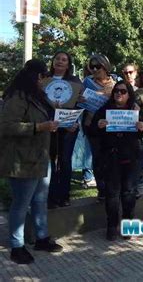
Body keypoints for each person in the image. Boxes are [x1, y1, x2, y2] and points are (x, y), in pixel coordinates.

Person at [0, 59, 63, 265]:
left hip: (41, 157)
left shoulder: (39, 96)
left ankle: (41, 238)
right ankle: (17, 246)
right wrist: (39, 127)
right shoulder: (17, 97)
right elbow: (7, 126)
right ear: (36, 76)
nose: (45, 80)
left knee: (39, 201)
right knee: (21, 204)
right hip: (22, 160)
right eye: (44, 76)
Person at [90, 81, 143, 241]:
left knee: (129, 193)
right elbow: (92, 131)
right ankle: (112, 226)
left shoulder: (136, 110)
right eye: (116, 91)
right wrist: (98, 125)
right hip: (111, 157)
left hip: (132, 158)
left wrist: (142, 127)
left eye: (123, 91)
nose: (119, 94)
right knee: (112, 194)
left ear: (129, 94)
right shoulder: (104, 110)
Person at [46, 51, 84, 209]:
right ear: (53, 61)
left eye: (64, 60)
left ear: (68, 64)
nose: (60, 62)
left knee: (65, 161)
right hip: (48, 126)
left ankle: (64, 195)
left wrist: (74, 122)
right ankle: (51, 196)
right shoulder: (44, 80)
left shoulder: (75, 82)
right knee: (50, 161)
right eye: (57, 59)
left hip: (69, 127)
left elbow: (80, 105)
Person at [81, 54, 116, 199]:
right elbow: (79, 99)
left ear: (105, 66)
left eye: (98, 66)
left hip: (111, 125)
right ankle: (102, 190)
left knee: (112, 157)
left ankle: (113, 187)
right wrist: (80, 98)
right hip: (92, 125)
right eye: (92, 66)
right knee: (97, 157)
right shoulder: (87, 82)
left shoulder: (116, 81)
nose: (94, 69)